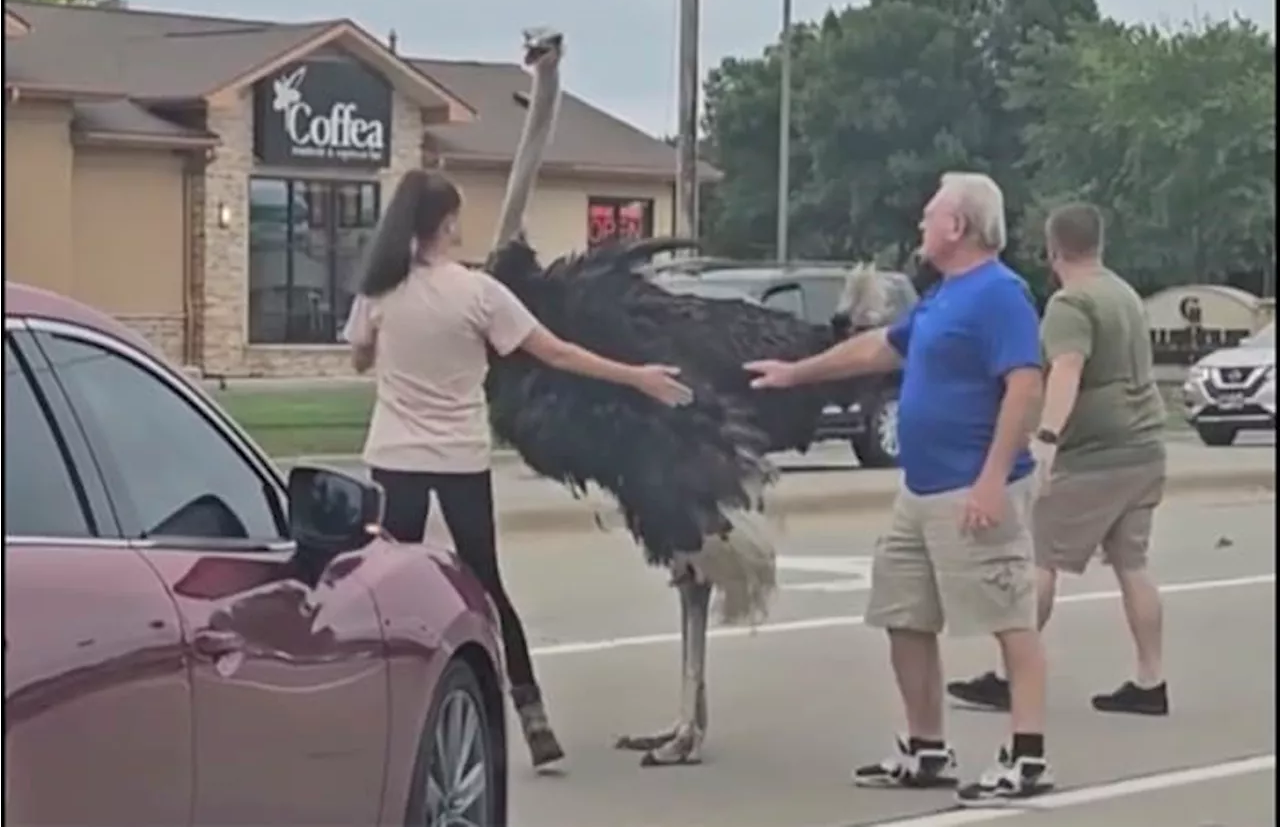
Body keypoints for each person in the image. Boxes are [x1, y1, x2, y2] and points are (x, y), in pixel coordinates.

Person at [343, 168, 693, 769]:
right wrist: (636, 376)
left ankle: (381, 713)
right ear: (447, 223)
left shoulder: (379, 290)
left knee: (387, 590)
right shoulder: (479, 294)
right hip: (459, 458)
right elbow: (555, 352)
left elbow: (356, 357)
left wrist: (381, 347)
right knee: (488, 583)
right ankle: (531, 713)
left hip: (393, 457)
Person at [745, 172, 1053, 804]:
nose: (920, 223)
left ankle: (1026, 757)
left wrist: (993, 481)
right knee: (903, 616)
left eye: (929, 214)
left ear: (958, 226)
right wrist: (795, 374)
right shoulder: (943, 297)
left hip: (973, 488)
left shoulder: (1001, 295)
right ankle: (927, 747)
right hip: (920, 490)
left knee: (1009, 619)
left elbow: (1025, 385)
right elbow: (880, 350)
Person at [947, 202, 1171, 717]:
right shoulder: (1124, 294)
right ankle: (1151, 678)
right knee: (1133, 564)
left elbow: (1067, 369)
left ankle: (1009, 677)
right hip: (1145, 446)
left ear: (1051, 250)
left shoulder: (1072, 304)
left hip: (1096, 455)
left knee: (1040, 562)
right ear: (1098, 244)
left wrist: (1045, 436)